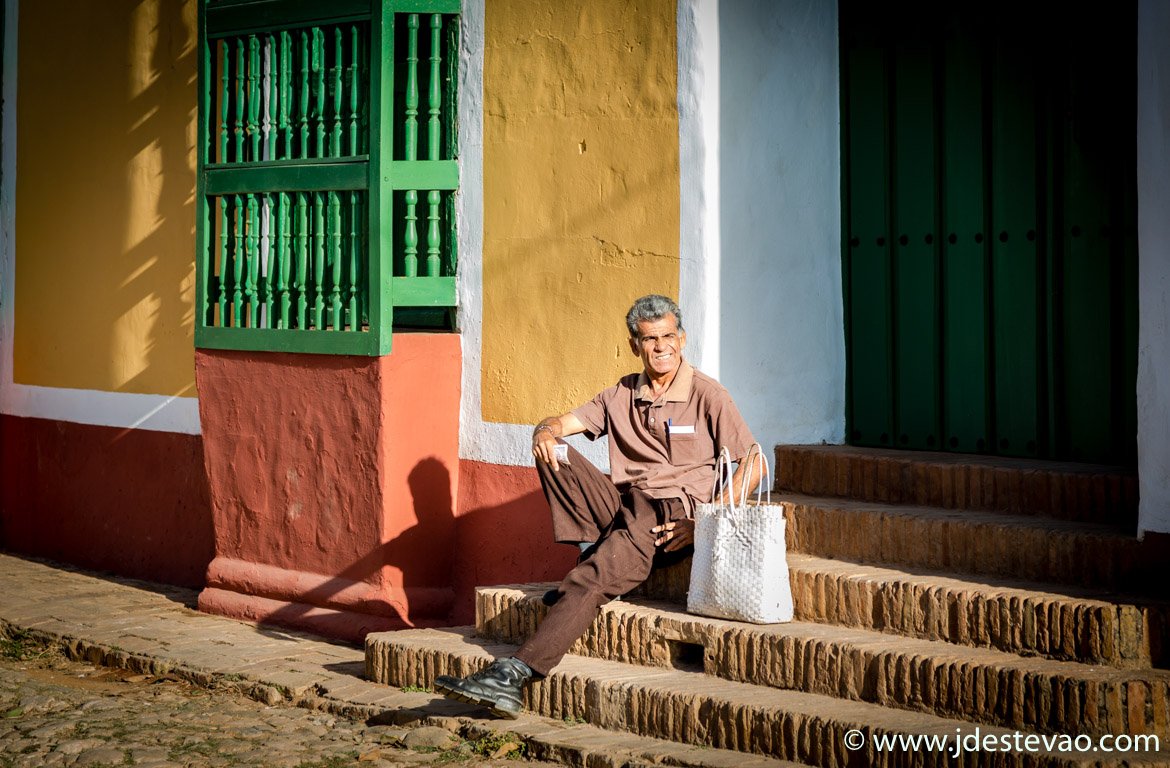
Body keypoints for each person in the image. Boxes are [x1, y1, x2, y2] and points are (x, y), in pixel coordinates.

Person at [434, 294, 761, 718]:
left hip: (666, 516)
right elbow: (561, 424)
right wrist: (543, 431)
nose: (661, 347)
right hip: (623, 506)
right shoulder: (620, 393)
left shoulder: (708, 394)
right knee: (556, 452)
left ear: (682, 339)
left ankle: (515, 673)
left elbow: (753, 461)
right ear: (634, 345)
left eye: (668, 337)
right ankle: (593, 548)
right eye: (650, 339)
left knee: (590, 581)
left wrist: (705, 523)